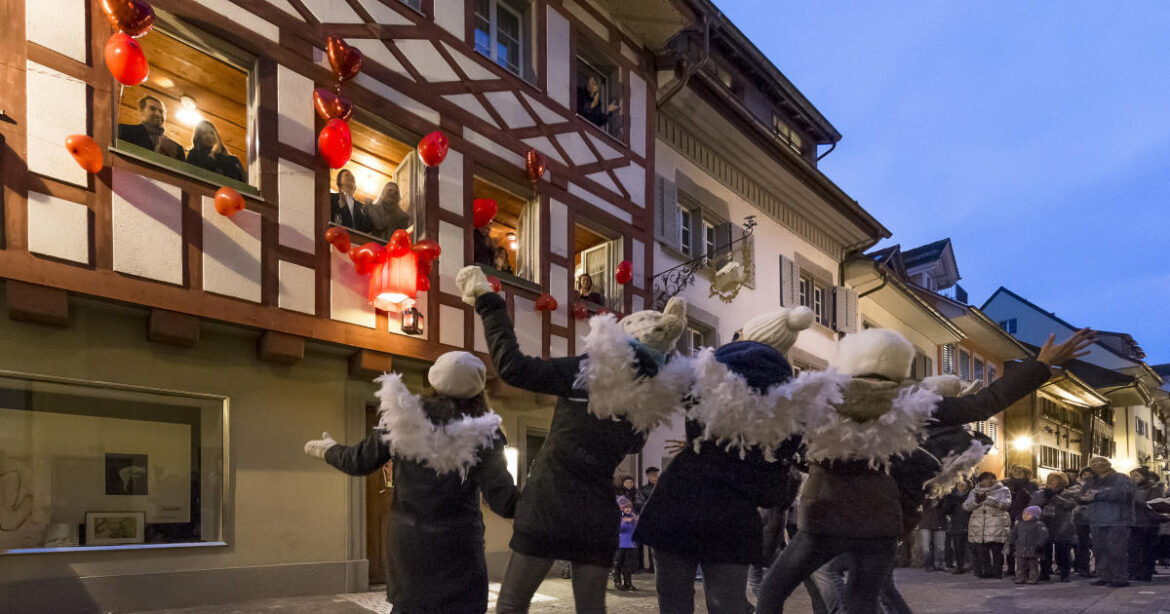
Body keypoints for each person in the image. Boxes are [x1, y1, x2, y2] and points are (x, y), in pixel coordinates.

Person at [755, 327, 1094, 614]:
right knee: (863, 601)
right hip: (880, 522)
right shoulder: (912, 399)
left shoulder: (822, 397)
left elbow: (781, 444)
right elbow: (984, 403)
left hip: (824, 517)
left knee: (772, 590)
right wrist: (1040, 366)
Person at [456, 265, 691, 614]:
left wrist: (488, 302)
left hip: (546, 504)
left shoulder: (589, 373)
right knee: (591, 610)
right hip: (597, 516)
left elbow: (512, 367)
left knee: (511, 605)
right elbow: (634, 445)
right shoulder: (648, 401)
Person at [302, 351, 518, 614]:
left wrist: (329, 450)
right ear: (477, 388)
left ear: (434, 381)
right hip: (459, 546)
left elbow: (357, 461)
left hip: (409, 544)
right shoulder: (484, 434)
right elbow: (505, 502)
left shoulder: (403, 419)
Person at [634, 307, 813, 614]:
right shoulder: (792, 402)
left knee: (674, 600)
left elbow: (652, 377)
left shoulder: (707, 372)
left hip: (677, 504)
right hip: (734, 517)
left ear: (746, 336)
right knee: (727, 604)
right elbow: (773, 488)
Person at [1078, 456, 1135, 587]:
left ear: (1108, 464)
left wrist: (1097, 495)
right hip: (1097, 520)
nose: (1097, 465)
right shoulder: (1091, 481)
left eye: (1100, 462)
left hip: (1118, 520)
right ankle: (1103, 576)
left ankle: (1119, 578)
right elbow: (1082, 495)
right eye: (1093, 463)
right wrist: (1082, 498)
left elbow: (1123, 495)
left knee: (1117, 550)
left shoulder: (1122, 478)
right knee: (1100, 550)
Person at [1030, 472, 1076, 581]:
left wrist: (1054, 497)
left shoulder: (1069, 493)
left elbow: (1070, 505)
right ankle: (1045, 572)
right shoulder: (1039, 493)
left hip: (1062, 525)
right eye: (1051, 480)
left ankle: (1065, 573)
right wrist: (1045, 497)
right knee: (1045, 551)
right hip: (1045, 524)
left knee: (1063, 551)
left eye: (1057, 480)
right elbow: (1033, 507)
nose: (1053, 482)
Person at [965, 471, 1011, 579]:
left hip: (996, 524)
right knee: (982, 551)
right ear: (981, 480)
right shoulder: (974, 491)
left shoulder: (1003, 490)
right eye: (986, 478)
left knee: (996, 550)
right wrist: (976, 502)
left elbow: (1006, 504)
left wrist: (988, 499)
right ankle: (986, 571)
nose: (990, 480)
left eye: (992, 478)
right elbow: (966, 506)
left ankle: (997, 572)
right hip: (980, 525)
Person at [118, 95, 185, 161]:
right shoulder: (124, 131)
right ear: (142, 112)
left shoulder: (177, 149)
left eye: (161, 111)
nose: (158, 114)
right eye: (152, 109)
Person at [1129, 467, 1168, 581]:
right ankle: (1134, 572)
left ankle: (1145, 573)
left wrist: (1135, 502)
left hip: (1148, 523)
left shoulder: (1154, 489)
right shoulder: (1132, 489)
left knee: (1146, 549)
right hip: (1135, 522)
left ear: (1144, 477)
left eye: (1136, 476)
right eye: (1132, 476)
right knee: (1134, 549)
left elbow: (1153, 505)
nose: (1134, 478)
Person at [1003, 465, 1039, 576]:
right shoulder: (1006, 484)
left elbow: (1033, 499)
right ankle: (1010, 568)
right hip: (1009, 515)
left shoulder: (1031, 485)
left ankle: (1025, 569)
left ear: (1026, 473)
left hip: (1024, 515)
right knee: (1010, 541)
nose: (1018, 472)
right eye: (1015, 470)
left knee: (1025, 542)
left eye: (1021, 470)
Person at [1070, 466, 1097, 577]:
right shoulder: (1075, 488)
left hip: (1095, 518)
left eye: (1089, 474)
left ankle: (1098, 568)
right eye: (1084, 474)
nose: (1087, 476)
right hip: (1080, 519)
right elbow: (1072, 500)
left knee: (1097, 544)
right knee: (1081, 544)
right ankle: (1082, 567)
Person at [1012, 506, 1049, 584]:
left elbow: (1043, 535)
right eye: (1024, 513)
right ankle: (1020, 578)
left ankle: (1033, 578)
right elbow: (1013, 534)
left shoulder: (1038, 525)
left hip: (1033, 549)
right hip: (1021, 549)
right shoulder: (1020, 524)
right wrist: (1011, 542)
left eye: (1028, 514)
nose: (1025, 515)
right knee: (1020, 566)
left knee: (1033, 566)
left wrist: (1039, 545)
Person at [943, 481, 973, 574]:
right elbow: (946, 510)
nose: (962, 486)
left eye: (964, 485)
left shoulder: (971, 495)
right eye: (960, 484)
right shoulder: (951, 496)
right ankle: (960, 566)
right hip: (957, 523)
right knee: (958, 546)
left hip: (970, 523)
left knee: (971, 547)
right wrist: (948, 500)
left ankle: (972, 565)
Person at [613, 497, 639, 591]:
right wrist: (623, 522)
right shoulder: (618, 517)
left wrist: (635, 520)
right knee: (617, 564)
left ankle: (628, 582)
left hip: (630, 544)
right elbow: (616, 529)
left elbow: (637, 528)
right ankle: (617, 582)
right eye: (625, 507)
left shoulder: (633, 516)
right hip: (620, 544)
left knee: (628, 565)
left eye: (629, 507)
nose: (628, 509)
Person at [917, 496, 948, 571]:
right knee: (925, 546)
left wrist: (941, 499)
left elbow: (947, 508)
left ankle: (939, 564)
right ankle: (928, 564)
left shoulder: (943, 496)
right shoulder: (924, 495)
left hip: (940, 522)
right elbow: (919, 507)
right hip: (925, 523)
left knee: (940, 546)